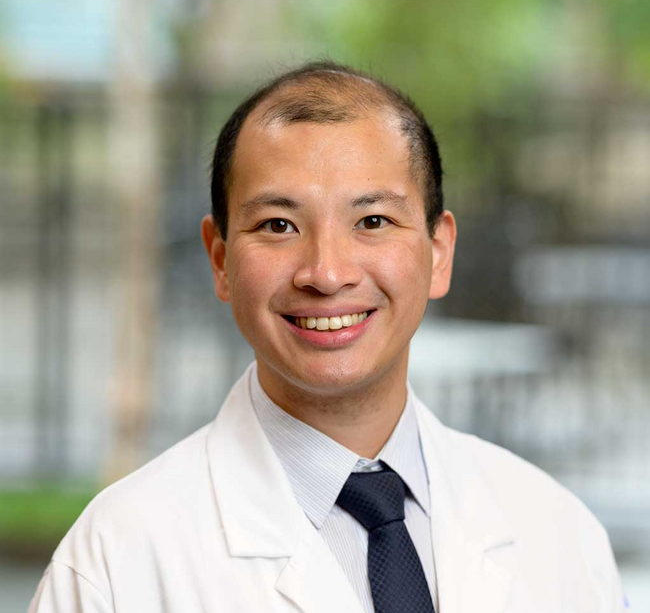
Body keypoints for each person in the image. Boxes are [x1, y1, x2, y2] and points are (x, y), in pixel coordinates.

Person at [29, 61, 627, 613]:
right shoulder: (116, 563)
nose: (327, 273)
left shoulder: (560, 536)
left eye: (373, 221)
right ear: (220, 259)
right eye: (278, 225)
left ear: (439, 253)